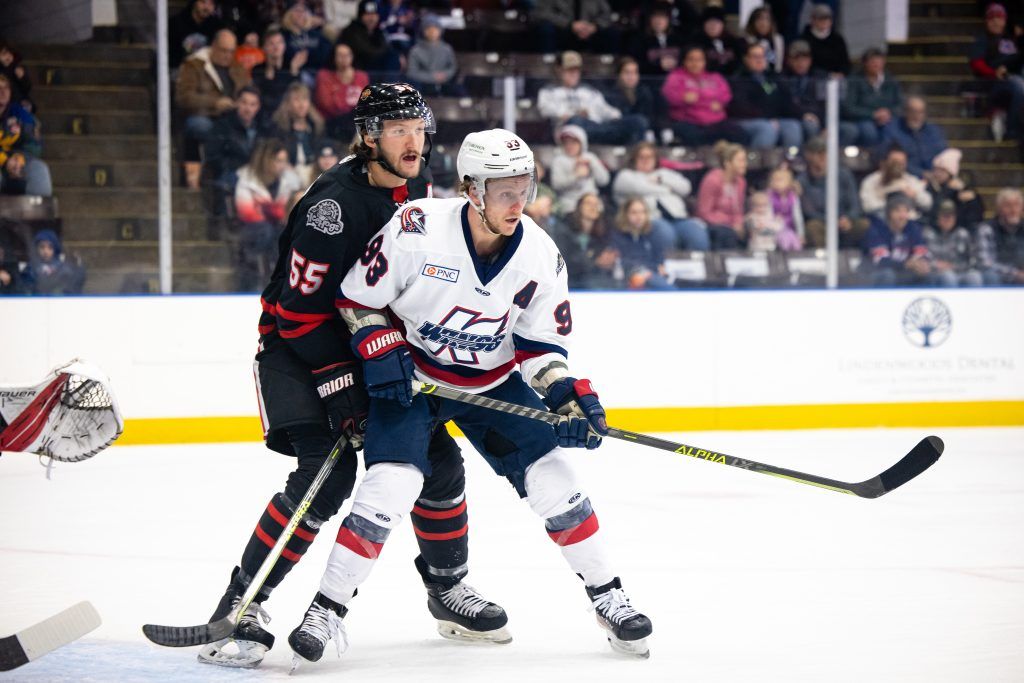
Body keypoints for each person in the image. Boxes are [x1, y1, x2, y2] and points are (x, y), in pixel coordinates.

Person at [290, 128, 653, 666]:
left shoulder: (540, 255)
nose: (518, 201)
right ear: (471, 190)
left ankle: (608, 597)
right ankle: (326, 610)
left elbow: (540, 345)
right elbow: (355, 299)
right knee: (391, 484)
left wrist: (566, 397)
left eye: (525, 187)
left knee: (556, 478)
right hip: (415, 383)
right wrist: (379, 344)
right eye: (505, 189)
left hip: (490, 385)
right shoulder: (417, 228)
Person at [195, 84, 508, 669]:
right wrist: (339, 380)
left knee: (438, 464)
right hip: (296, 352)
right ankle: (240, 605)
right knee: (329, 474)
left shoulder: (414, 191)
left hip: (367, 351)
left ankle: (446, 591)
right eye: (397, 131)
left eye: (418, 129)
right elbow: (295, 313)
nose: (413, 142)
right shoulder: (331, 209)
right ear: (368, 138)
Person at [175, 29, 252, 189]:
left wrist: (241, 103)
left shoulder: (237, 68)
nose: (227, 56)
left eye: (231, 51)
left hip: (232, 117)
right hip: (205, 116)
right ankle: (211, 174)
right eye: (224, 51)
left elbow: (249, 90)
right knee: (203, 127)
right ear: (214, 46)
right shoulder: (194, 65)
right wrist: (214, 103)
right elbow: (183, 97)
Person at [612, 141, 710, 251]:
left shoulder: (664, 174)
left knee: (696, 231)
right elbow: (640, 188)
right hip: (649, 219)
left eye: (650, 157)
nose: (646, 160)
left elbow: (686, 188)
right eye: (641, 157)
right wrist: (668, 189)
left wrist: (661, 180)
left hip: (678, 218)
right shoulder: (626, 175)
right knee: (665, 233)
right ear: (634, 159)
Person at [234, 138, 304, 291]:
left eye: (284, 161)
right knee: (265, 232)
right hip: (252, 230)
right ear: (266, 160)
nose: (282, 165)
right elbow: (248, 213)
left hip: (278, 229)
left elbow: (294, 208)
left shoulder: (290, 179)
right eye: (278, 161)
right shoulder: (247, 179)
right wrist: (279, 211)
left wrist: (272, 210)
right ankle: (253, 281)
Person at [537, 50, 647, 146]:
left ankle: (634, 152)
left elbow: (605, 109)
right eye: (569, 70)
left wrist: (615, 115)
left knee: (638, 121)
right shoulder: (548, 91)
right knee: (575, 121)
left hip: (598, 127)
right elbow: (545, 109)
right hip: (573, 130)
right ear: (559, 70)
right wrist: (570, 115)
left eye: (576, 70)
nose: (574, 73)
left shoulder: (589, 91)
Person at [661, 45, 748, 146]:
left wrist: (720, 104)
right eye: (691, 59)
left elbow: (726, 95)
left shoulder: (715, 77)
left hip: (715, 120)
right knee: (692, 135)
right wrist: (682, 98)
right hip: (688, 121)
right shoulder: (675, 77)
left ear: (705, 61)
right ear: (684, 61)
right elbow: (668, 95)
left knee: (739, 134)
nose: (695, 63)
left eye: (699, 60)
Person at [728, 43, 803, 149]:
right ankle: (759, 164)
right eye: (755, 57)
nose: (759, 60)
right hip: (747, 120)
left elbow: (787, 101)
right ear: (746, 59)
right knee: (767, 129)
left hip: (774, 119)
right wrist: (767, 118)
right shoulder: (739, 79)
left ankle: (790, 162)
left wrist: (802, 114)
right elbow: (741, 107)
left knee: (792, 126)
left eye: (762, 56)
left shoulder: (773, 77)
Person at [796, 135, 866, 248]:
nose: (822, 157)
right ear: (808, 155)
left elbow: (854, 203)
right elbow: (808, 211)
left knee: (864, 225)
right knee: (812, 227)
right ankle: (822, 262)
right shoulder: (802, 180)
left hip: (845, 221)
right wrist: (832, 221)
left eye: (824, 153)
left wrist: (849, 218)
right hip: (822, 222)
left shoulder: (844, 175)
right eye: (817, 153)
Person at [968, 3, 1023, 140]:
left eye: (1000, 18)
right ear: (987, 21)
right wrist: (994, 73)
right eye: (992, 19)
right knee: (1019, 87)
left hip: (1014, 78)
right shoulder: (982, 40)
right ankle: (1012, 131)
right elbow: (976, 63)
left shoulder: (1010, 40)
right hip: (993, 83)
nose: (996, 22)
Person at [549, 193, 621, 289]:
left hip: (595, 278)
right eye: (588, 203)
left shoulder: (604, 232)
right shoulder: (565, 229)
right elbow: (564, 260)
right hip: (570, 280)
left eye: (596, 204)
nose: (593, 207)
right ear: (579, 207)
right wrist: (594, 262)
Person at [863, 194, 935, 287]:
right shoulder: (877, 230)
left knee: (927, 274)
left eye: (905, 211)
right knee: (888, 275)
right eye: (897, 211)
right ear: (889, 213)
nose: (902, 216)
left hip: (904, 272)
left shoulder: (913, 228)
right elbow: (880, 260)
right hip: (875, 274)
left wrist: (921, 263)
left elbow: (922, 252)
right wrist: (907, 264)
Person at [840, 48, 902, 147]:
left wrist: (888, 113)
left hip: (888, 118)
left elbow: (900, 104)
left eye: (879, 61)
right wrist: (873, 114)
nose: (876, 65)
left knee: (894, 130)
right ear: (865, 63)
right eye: (873, 61)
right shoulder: (854, 81)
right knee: (869, 132)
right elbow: (849, 108)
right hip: (862, 119)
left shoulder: (891, 80)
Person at [612, 197, 675, 290]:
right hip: (627, 277)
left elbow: (659, 260)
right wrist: (646, 270)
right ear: (625, 214)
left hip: (650, 274)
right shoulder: (617, 234)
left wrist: (660, 268)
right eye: (634, 213)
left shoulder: (653, 233)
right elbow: (620, 261)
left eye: (642, 212)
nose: (639, 216)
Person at [696, 141, 749, 249]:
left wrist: (738, 223)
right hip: (711, 224)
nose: (745, 164)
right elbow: (704, 212)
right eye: (740, 160)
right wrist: (728, 223)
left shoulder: (741, 182)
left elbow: (738, 210)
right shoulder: (712, 180)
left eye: (745, 160)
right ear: (727, 163)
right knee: (726, 234)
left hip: (731, 224)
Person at [548, 124, 610, 216]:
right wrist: (575, 176)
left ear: (582, 143)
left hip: (592, 202)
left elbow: (604, 180)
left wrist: (592, 165)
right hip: (570, 205)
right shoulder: (559, 160)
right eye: (566, 143)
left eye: (573, 142)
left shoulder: (590, 157)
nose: (569, 146)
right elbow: (556, 185)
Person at [271, 82, 326, 185]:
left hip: (314, 171)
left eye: (305, 99)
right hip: (289, 171)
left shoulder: (316, 125)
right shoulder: (279, 128)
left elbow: (321, 151)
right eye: (296, 100)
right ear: (288, 103)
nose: (302, 105)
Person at [878, 96, 948, 177]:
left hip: (934, 177)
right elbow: (889, 159)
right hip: (903, 177)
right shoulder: (892, 130)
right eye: (913, 111)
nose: (917, 116)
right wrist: (921, 173)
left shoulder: (934, 131)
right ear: (906, 112)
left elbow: (945, 154)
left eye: (921, 112)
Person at [315, 42, 370, 142]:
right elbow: (328, 105)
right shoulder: (324, 76)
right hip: (333, 123)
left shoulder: (362, 77)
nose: (344, 58)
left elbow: (366, 103)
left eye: (347, 55)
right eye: (340, 55)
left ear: (352, 56)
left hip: (356, 123)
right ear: (334, 57)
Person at [859, 145, 932, 218]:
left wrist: (915, 195)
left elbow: (928, 203)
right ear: (885, 162)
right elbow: (867, 205)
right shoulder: (871, 180)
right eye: (895, 162)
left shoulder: (910, 180)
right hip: (882, 220)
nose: (898, 166)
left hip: (909, 221)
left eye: (902, 163)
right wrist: (893, 207)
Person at [924, 199, 984, 287]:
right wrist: (936, 265)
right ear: (938, 217)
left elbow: (972, 259)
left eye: (951, 216)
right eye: (944, 216)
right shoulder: (928, 233)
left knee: (974, 277)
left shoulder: (962, 234)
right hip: (936, 273)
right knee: (948, 276)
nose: (948, 219)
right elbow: (924, 257)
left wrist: (954, 267)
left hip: (959, 271)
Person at [252, 29, 302, 128]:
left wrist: (294, 73)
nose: (276, 47)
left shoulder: (291, 68)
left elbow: (297, 92)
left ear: (284, 46)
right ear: (264, 47)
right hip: (264, 115)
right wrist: (269, 74)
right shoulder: (257, 69)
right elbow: (262, 95)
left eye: (279, 42)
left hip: (288, 114)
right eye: (271, 43)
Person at [405, 14, 463, 97]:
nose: (432, 31)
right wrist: (432, 77)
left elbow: (453, 67)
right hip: (423, 87)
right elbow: (412, 72)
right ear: (423, 31)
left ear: (440, 30)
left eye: (435, 28)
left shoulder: (447, 49)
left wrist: (445, 75)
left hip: (446, 85)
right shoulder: (415, 51)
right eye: (428, 28)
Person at [975, 187, 1024, 285]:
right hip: (1000, 277)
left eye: (1016, 205)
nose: (1013, 210)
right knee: (990, 276)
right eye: (1008, 206)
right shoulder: (987, 229)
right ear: (999, 208)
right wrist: (1014, 273)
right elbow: (985, 263)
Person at [924, 148, 984, 228]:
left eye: (942, 170)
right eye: (936, 169)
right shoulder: (930, 187)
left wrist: (972, 199)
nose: (937, 174)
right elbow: (933, 211)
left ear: (951, 173)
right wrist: (948, 191)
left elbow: (976, 215)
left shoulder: (963, 188)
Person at [783, 39, 826, 141]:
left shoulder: (820, 77)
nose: (800, 63)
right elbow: (784, 104)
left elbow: (825, 104)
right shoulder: (782, 78)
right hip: (792, 117)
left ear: (810, 60)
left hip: (817, 117)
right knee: (808, 126)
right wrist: (803, 114)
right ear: (789, 60)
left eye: (804, 59)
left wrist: (824, 123)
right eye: (796, 59)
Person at [22, 230, 85, 295]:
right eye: (42, 247)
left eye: (50, 247)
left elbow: (74, 287)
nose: (45, 251)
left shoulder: (63, 268)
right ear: (36, 248)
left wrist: (79, 267)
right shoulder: (31, 268)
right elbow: (26, 290)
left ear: (55, 249)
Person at [168, 0, 225, 70]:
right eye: (203, 2)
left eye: (211, 4)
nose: (206, 7)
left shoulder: (217, 26)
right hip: (180, 71)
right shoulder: (175, 24)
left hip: (207, 72)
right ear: (194, 2)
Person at [691, 5, 744, 76]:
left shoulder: (733, 42)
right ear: (703, 25)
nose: (713, 26)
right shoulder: (695, 43)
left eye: (717, 22)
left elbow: (740, 63)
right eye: (709, 22)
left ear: (723, 25)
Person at [799, 3, 850, 77]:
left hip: (837, 79)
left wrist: (841, 73)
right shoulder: (804, 39)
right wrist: (826, 75)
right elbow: (803, 64)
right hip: (813, 79)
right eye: (820, 18)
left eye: (827, 18)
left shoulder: (838, 39)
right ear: (812, 20)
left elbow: (845, 62)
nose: (824, 21)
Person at [766, 165, 804, 251]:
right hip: (773, 230)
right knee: (784, 240)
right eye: (774, 180)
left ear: (789, 182)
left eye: (780, 180)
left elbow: (797, 217)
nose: (776, 183)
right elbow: (768, 215)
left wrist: (800, 234)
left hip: (789, 229)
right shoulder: (769, 196)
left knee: (795, 242)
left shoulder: (793, 197)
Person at [744, 6, 785, 73]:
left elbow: (780, 64)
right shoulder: (746, 40)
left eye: (767, 20)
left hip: (776, 77)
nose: (763, 23)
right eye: (759, 19)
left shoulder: (778, 40)